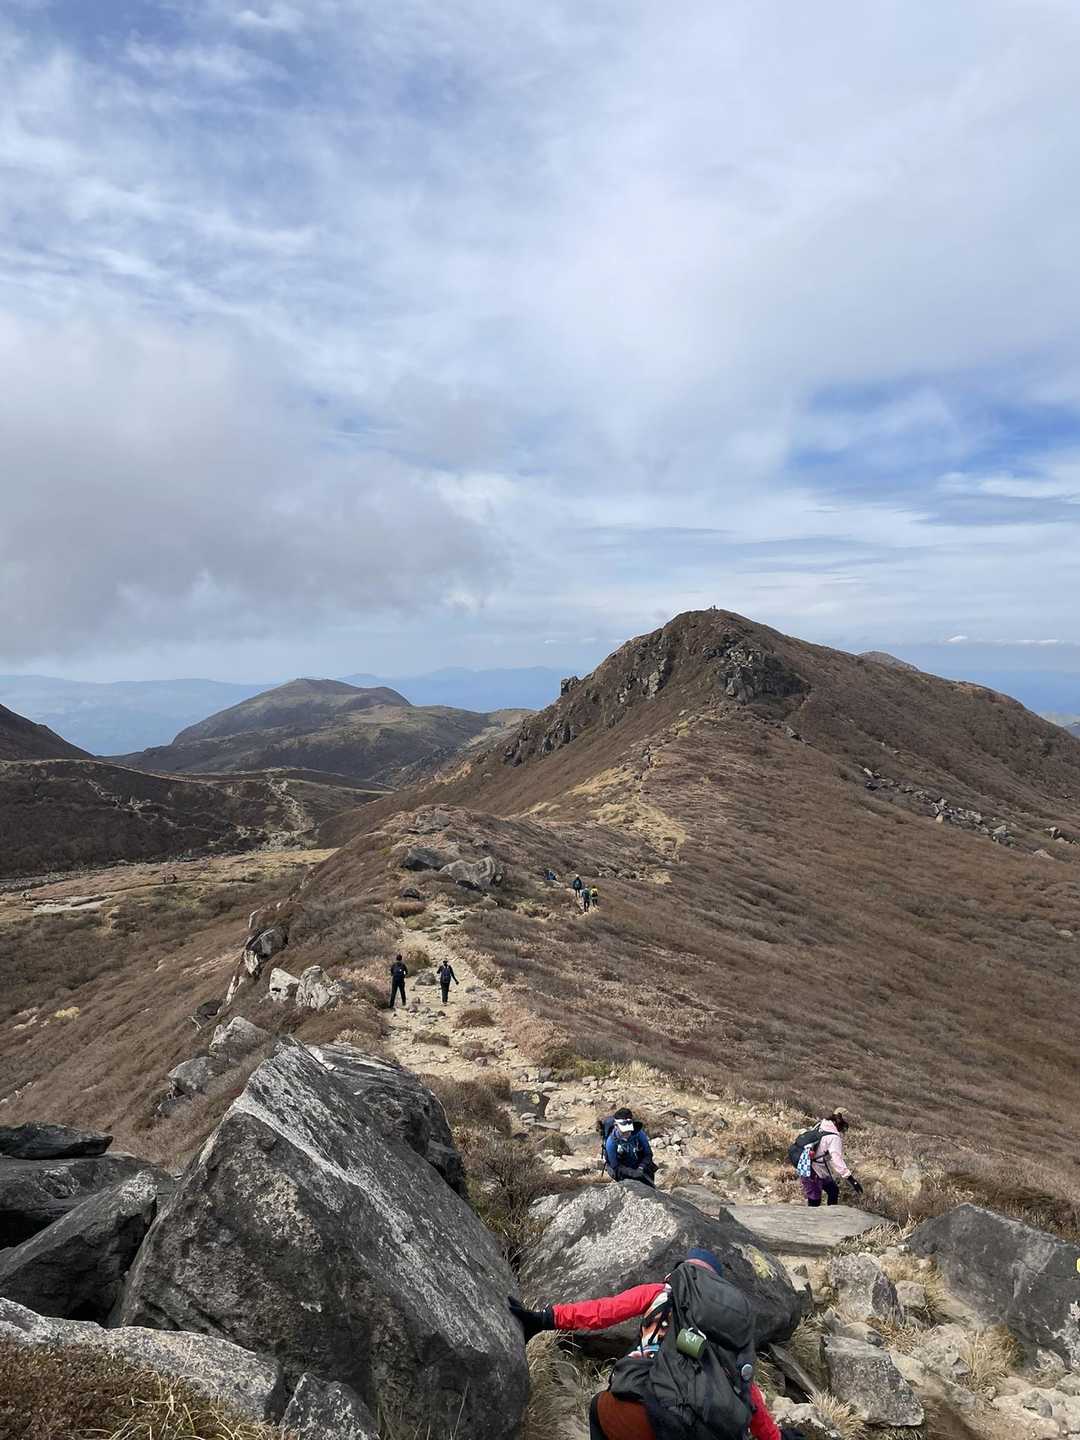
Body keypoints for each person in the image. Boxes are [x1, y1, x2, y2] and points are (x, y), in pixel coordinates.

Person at [508, 1249, 788, 1440]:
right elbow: (749, 1395)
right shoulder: (728, 1330)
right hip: (698, 1428)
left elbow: (602, 1312)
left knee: (598, 1408)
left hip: (636, 1411)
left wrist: (546, 1318)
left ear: (682, 1272)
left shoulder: (658, 1293)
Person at [802, 1110, 862, 1207]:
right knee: (815, 1203)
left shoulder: (821, 1124)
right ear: (841, 1122)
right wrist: (851, 1179)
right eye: (845, 1126)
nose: (844, 1129)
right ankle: (827, 1215)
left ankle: (830, 1214)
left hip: (808, 1166)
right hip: (812, 1171)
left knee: (833, 1190)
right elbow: (836, 1159)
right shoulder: (834, 1138)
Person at [604, 1108, 656, 1185]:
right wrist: (632, 1173)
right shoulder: (611, 1143)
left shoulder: (639, 1133)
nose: (627, 1134)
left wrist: (641, 1168)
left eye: (629, 1130)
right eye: (624, 1131)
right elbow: (615, 1166)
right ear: (616, 1126)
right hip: (623, 1169)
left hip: (639, 1165)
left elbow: (648, 1154)